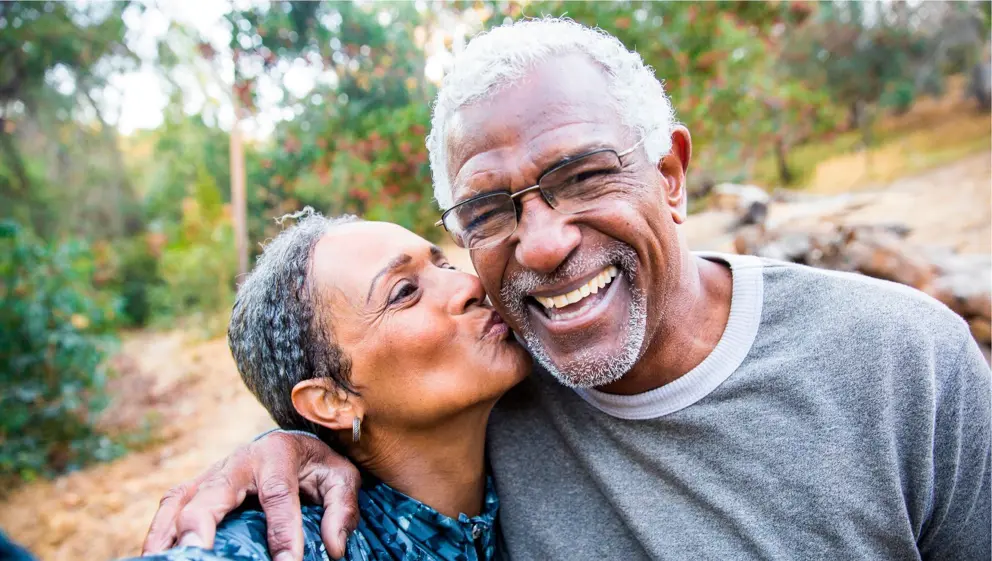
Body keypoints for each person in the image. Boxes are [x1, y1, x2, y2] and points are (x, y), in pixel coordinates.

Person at [142, 17, 991, 561]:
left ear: (671, 176)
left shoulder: (904, 363)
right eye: (487, 211)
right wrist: (278, 448)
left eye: (584, 176)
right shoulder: (496, 387)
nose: (543, 246)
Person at [130, 212, 531, 560]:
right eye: (405, 292)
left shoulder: (552, 373)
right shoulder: (300, 539)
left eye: (444, 266)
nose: (469, 285)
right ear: (332, 400)